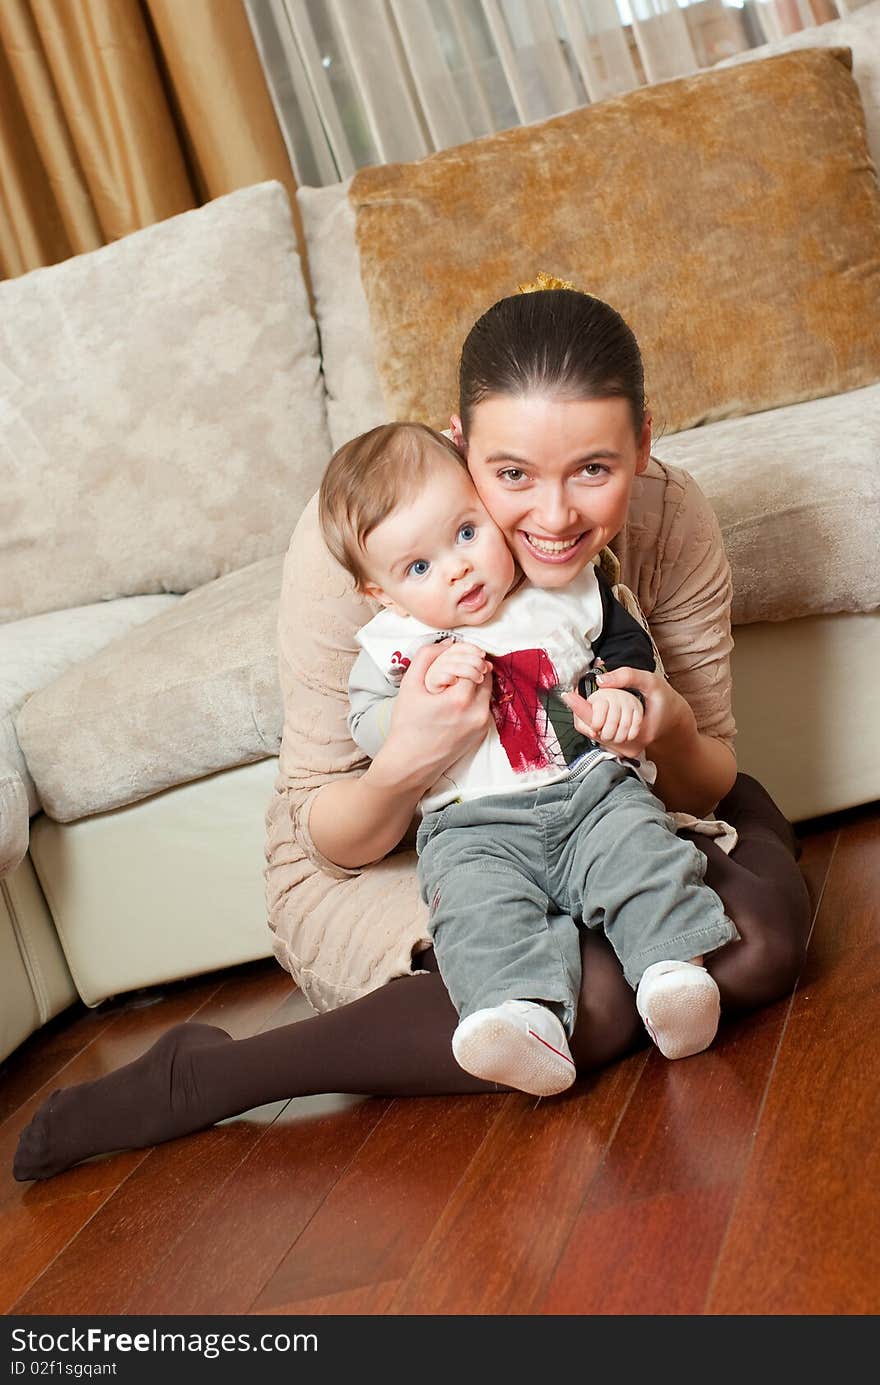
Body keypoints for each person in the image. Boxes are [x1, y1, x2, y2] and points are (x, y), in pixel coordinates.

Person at [13, 286, 810, 1182]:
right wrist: (410, 754)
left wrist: (665, 730)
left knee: (756, 944)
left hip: (603, 800)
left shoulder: (667, 521)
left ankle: (718, 895)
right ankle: (213, 1074)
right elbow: (332, 840)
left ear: (643, 444)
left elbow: (700, 784)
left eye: (594, 469)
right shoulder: (369, 549)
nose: (552, 517)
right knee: (593, 999)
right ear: (460, 447)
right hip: (409, 843)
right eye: (511, 476)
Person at [319, 420, 737, 1096]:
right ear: (382, 592)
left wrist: (620, 698)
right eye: (419, 568)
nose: (457, 568)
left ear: (487, 502)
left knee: (639, 850)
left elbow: (625, 653)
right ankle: (518, 1018)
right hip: (471, 825)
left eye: (465, 533)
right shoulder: (395, 645)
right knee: (474, 910)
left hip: (587, 787)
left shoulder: (563, 587)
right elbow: (367, 722)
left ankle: (672, 974)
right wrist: (413, 711)